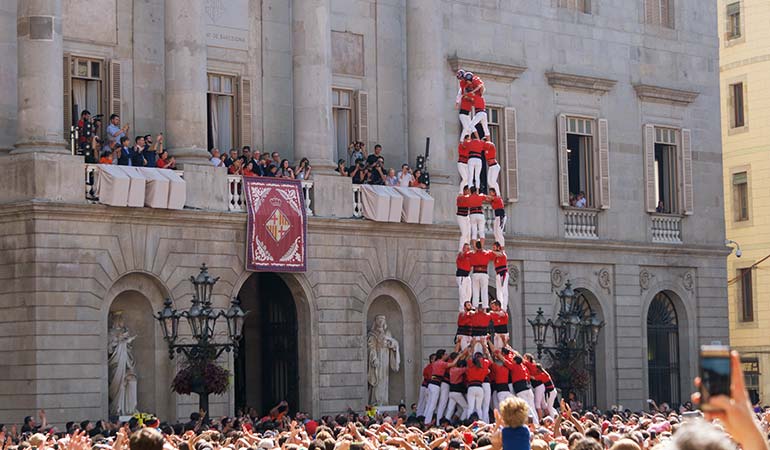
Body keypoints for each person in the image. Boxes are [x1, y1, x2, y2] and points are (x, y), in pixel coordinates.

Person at [469, 241, 493, 309]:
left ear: (476, 246)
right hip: (484, 273)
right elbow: (493, 255)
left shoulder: (472, 254)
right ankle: (485, 307)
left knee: (475, 290)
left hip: (476, 273)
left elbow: (469, 258)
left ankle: (475, 307)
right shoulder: (486, 253)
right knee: (484, 290)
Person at [415, 354, 436, 418]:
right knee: (425, 403)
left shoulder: (429, 366)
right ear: (431, 360)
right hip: (426, 386)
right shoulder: (430, 367)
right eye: (435, 359)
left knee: (424, 403)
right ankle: (421, 417)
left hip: (426, 386)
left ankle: (420, 416)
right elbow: (430, 377)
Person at [491, 242, 509, 311]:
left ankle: (504, 307)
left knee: (504, 291)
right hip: (498, 274)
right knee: (498, 291)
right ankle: (500, 306)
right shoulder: (495, 256)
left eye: (494, 247)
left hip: (503, 274)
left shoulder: (502, 254)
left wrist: (491, 251)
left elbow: (499, 253)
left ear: (498, 247)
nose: (493, 248)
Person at [456, 245, 472, 312]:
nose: (468, 250)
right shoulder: (461, 255)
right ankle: (462, 310)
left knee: (469, 294)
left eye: (469, 248)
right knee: (463, 295)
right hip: (461, 276)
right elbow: (462, 254)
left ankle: (468, 308)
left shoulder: (469, 256)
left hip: (467, 276)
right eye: (467, 248)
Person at [456, 186, 471, 252]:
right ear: (464, 191)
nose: (468, 192)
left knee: (468, 233)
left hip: (466, 216)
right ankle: (460, 249)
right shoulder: (460, 197)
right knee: (464, 233)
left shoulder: (468, 198)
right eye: (467, 190)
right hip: (461, 216)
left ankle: (467, 247)